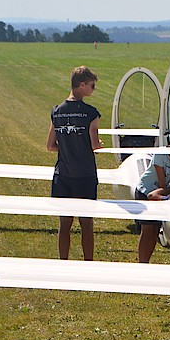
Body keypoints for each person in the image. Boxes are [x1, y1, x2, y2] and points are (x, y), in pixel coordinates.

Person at [46, 66, 102, 261]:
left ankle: (64, 261)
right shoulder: (91, 113)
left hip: (63, 175)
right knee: (86, 223)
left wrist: (68, 147)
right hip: (85, 175)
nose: (93, 89)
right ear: (82, 85)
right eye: (92, 86)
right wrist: (98, 145)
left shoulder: (57, 112)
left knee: (64, 223)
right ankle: (88, 263)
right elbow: (95, 145)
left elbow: (50, 145)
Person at [134, 134, 170, 263]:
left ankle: (146, 261)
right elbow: (161, 181)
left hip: (161, 192)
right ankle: (141, 263)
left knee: (155, 231)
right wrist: (166, 194)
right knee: (147, 230)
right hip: (145, 190)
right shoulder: (160, 154)